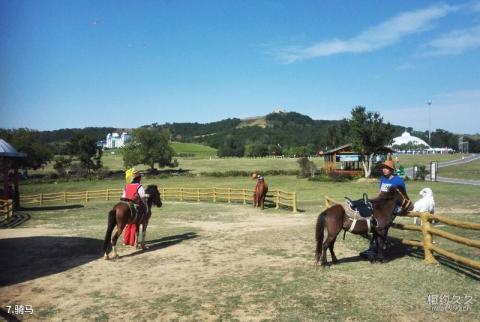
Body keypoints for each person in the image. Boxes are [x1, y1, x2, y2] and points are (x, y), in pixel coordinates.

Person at [360, 159, 407, 258]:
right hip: (381, 206)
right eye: (383, 168)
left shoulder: (399, 181)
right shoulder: (383, 179)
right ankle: (374, 248)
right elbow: (380, 194)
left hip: (391, 209)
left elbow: (402, 196)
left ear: (392, 169)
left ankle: (379, 249)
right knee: (373, 222)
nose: (384, 170)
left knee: (381, 228)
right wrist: (374, 201)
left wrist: (400, 208)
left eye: (386, 168)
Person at [122, 169, 149, 246]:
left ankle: (126, 241)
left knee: (127, 225)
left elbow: (123, 196)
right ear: (139, 178)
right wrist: (145, 202)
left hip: (126, 204)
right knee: (145, 210)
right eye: (140, 178)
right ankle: (143, 220)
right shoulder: (139, 186)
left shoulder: (126, 186)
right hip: (135, 205)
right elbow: (142, 197)